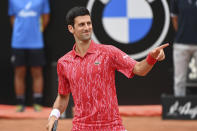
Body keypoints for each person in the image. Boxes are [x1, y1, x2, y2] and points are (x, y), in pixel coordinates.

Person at [46, 6, 168, 131]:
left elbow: (139, 69)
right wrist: (53, 116)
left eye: (89, 23)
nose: (87, 27)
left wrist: (152, 58)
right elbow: (63, 96)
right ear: (71, 28)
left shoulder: (109, 52)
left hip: (112, 127)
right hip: (81, 127)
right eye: (81, 24)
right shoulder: (64, 62)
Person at [8, 0, 50, 112]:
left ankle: (37, 102)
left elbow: (45, 18)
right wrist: (20, 32)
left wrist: (35, 32)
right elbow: (12, 19)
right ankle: (20, 103)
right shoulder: (12, 1)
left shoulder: (42, 1)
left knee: (37, 72)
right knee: (19, 72)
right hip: (18, 43)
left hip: (36, 43)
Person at [170, 0, 197, 96]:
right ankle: (179, 106)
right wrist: (183, 33)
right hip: (181, 44)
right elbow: (174, 18)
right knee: (179, 80)